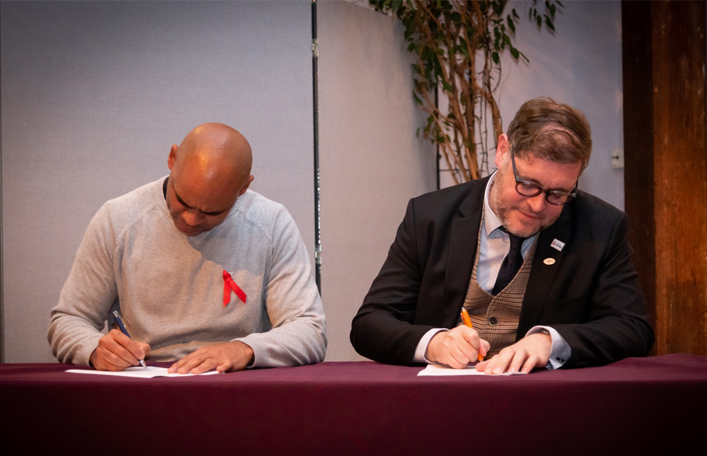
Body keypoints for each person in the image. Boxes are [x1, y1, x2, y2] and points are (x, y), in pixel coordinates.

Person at [350, 97, 654, 374]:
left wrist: (551, 342)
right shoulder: (431, 216)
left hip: (541, 407)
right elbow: (370, 324)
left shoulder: (600, 228)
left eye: (558, 194)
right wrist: (434, 343)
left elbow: (633, 329)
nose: (537, 205)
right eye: (528, 184)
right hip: (439, 403)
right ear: (503, 151)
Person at [48, 123, 326, 373]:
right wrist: (96, 349)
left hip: (235, 383)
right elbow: (69, 320)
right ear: (172, 159)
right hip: (143, 379)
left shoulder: (271, 223)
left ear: (243, 189)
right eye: (182, 200)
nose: (191, 220)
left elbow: (309, 330)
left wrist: (245, 349)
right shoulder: (118, 219)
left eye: (212, 212)